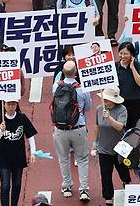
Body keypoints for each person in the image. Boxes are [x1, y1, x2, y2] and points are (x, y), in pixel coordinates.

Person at [52, 61, 91, 201]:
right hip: (78, 127)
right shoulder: (81, 89)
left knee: (63, 158)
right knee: (82, 159)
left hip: (60, 128)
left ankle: (67, 186)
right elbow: (88, 108)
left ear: (63, 72)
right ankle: (84, 190)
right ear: (76, 73)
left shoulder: (55, 88)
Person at [0, 100, 38, 206]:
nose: (11, 107)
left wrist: (33, 153)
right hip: (3, 158)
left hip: (18, 157)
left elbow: (30, 135)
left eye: (13, 104)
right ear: (4, 105)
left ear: (16, 105)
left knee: (17, 185)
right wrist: (1, 130)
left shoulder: (22, 118)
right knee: (5, 185)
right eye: (8, 104)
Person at [92, 87, 128, 206]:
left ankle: (126, 182)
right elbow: (97, 127)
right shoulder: (99, 109)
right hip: (104, 148)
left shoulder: (122, 110)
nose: (105, 102)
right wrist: (95, 144)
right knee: (105, 174)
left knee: (123, 171)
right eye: (104, 99)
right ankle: (108, 197)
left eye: (107, 100)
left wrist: (109, 118)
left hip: (119, 148)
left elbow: (119, 127)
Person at [116, 42, 140, 129]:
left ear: (131, 55)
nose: (122, 56)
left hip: (135, 103)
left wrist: (132, 68)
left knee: (134, 128)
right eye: (121, 53)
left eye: (126, 54)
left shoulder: (137, 66)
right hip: (120, 103)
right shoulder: (115, 66)